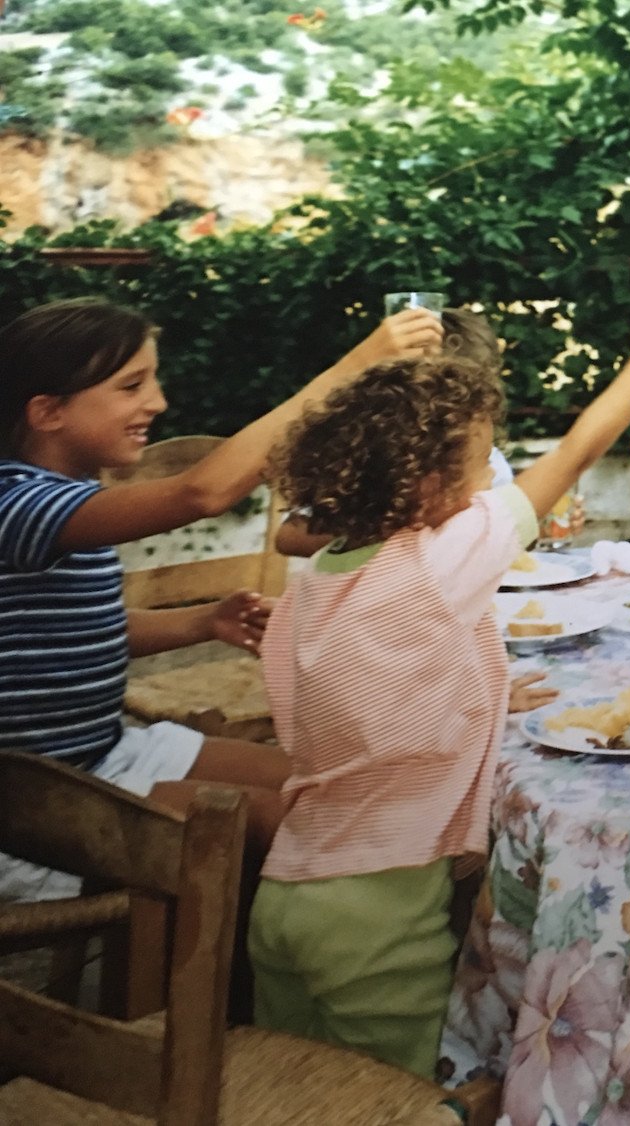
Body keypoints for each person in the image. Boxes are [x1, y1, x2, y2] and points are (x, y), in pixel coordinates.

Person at [248, 300, 630, 1077]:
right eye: (478, 468)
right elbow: (579, 450)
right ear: (428, 488)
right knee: (393, 1095)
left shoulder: (316, 583)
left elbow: (349, 715)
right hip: (376, 917)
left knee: (294, 1088)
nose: (484, 489)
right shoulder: (433, 561)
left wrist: (483, 696)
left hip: (288, 889)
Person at [0, 296, 440, 898]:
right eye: (132, 387)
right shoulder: (16, 503)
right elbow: (201, 494)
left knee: (335, 783)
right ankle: (224, 983)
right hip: (32, 808)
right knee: (309, 823)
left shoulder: (66, 494)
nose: (157, 403)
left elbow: (72, 627)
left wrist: (203, 621)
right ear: (47, 412)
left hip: (106, 755)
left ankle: (238, 966)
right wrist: (357, 365)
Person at [272, 307, 584, 558]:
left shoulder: (487, 463)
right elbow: (289, 538)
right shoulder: (368, 457)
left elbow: (508, 539)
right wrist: (385, 517)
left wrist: (543, 527)